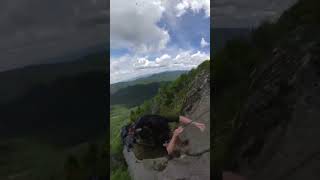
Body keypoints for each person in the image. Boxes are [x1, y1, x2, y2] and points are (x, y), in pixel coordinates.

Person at [130, 114, 206, 157]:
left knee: (171, 134)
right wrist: (174, 137)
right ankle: (176, 154)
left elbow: (177, 117)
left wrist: (195, 123)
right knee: (166, 155)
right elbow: (167, 151)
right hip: (149, 149)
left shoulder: (150, 119)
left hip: (155, 136)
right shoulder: (141, 150)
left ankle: (181, 146)